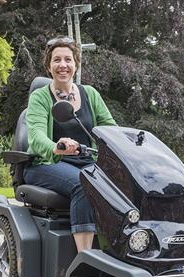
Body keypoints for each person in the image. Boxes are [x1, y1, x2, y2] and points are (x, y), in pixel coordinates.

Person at [24, 36, 117, 252]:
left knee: (122, 186)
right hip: (46, 163)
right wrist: (56, 146)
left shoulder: (90, 94)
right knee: (84, 183)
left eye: (68, 59)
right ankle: (85, 258)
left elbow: (110, 128)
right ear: (49, 66)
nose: (63, 65)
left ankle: (120, 251)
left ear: (76, 64)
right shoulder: (40, 97)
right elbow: (36, 135)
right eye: (57, 60)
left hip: (85, 161)